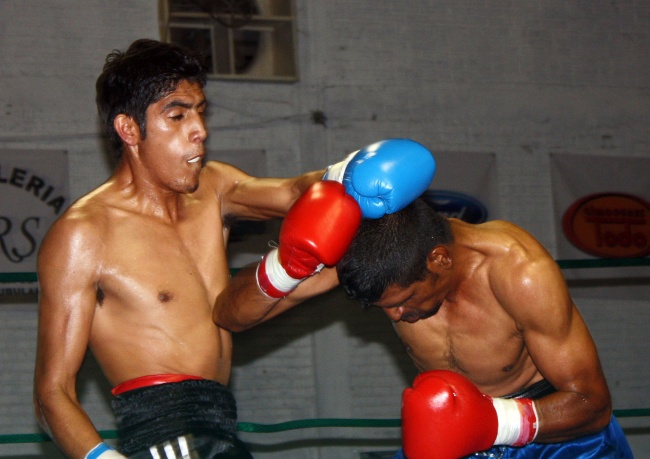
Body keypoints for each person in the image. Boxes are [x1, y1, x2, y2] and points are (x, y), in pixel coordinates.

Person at [33, 38, 437, 459]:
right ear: (129, 129)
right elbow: (52, 391)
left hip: (222, 424)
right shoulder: (84, 234)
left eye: (200, 111)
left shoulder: (215, 187)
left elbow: (293, 192)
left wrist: (345, 174)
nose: (200, 130)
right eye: (177, 115)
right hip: (163, 437)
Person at [337, 198, 634, 459]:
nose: (395, 315)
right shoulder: (382, 262)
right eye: (384, 307)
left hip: (554, 431)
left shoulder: (520, 273)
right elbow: (310, 278)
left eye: (406, 299)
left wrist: (494, 423)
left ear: (440, 260)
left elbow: (592, 404)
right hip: (453, 432)